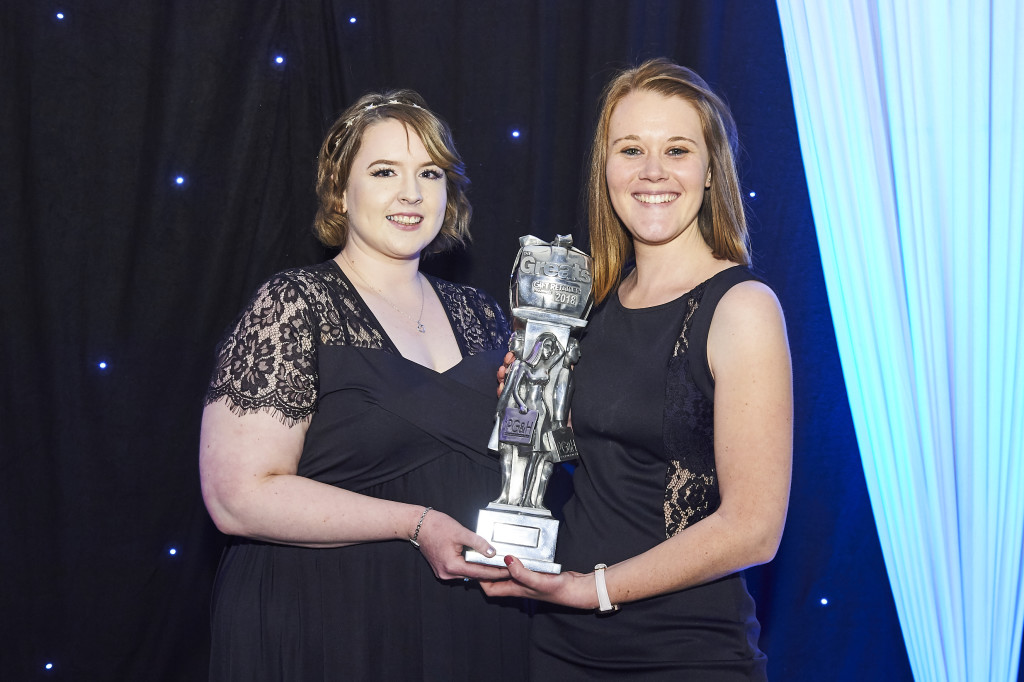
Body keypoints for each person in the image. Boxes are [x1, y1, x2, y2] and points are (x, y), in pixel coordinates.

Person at [199, 90, 528, 681]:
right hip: (327, 625)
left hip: (468, 627)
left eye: (429, 173)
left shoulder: (483, 314)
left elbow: (521, 461)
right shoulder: (294, 306)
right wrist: (415, 522)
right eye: (384, 172)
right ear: (340, 193)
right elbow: (235, 499)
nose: (410, 193)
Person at [480, 58, 793, 680]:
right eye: (631, 150)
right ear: (607, 171)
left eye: (676, 149)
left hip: (685, 654)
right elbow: (618, 465)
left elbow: (754, 529)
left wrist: (592, 588)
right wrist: (541, 414)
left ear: (710, 173)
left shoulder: (742, 308)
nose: (652, 171)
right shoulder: (593, 303)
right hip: (563, 648)